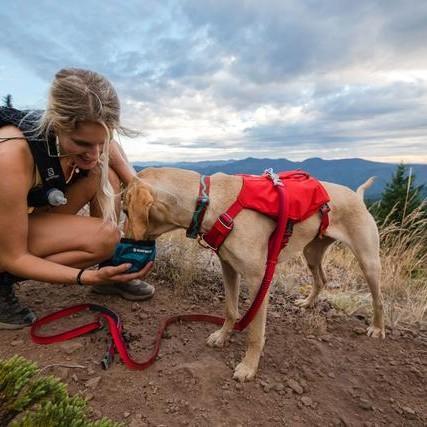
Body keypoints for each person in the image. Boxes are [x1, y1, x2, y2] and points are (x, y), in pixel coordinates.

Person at [0, 68, 155, 330]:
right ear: (56, 124)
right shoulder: (11, 157)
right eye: (82, 143)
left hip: (17, 219)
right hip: (7, 247)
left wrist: (136, 183)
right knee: (105, 237)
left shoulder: (81, 138)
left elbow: (105, 147)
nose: (94, 153)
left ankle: (112, 272)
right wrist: (87, 277)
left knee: (105, 174)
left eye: (101, 141)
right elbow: (13, 257)